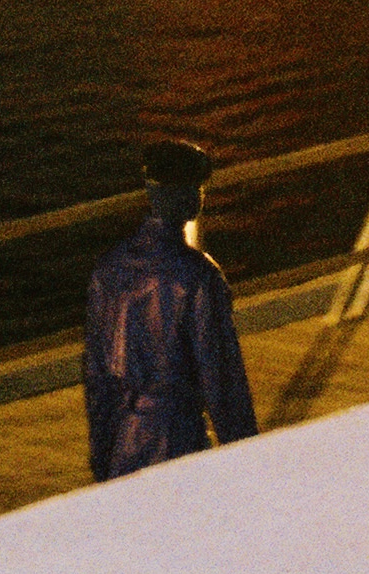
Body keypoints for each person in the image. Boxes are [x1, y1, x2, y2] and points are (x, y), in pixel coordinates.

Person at [84, 138, 258, 479]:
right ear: (190, 196)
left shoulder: (108, 269)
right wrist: (247, 454)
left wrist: (102, 459)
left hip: (125, 438)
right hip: (179, 438)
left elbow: (98, 377)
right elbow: (221, 379)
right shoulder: (198, 277)